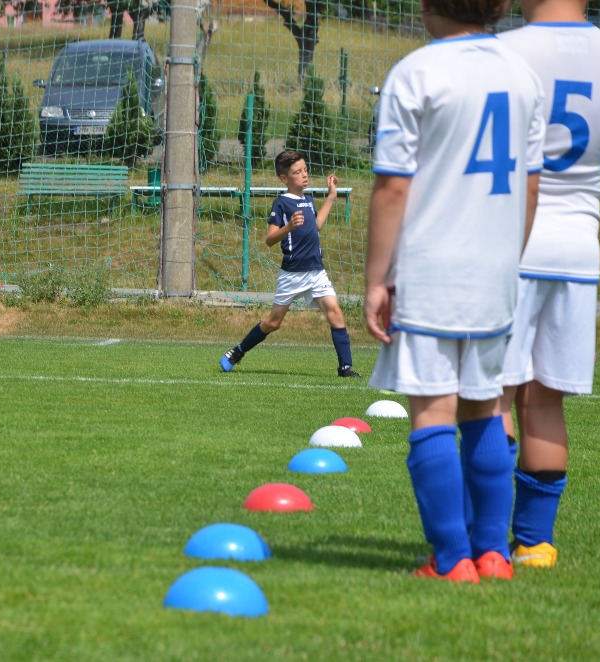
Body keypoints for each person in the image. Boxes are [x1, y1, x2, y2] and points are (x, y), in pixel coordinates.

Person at [364, 0, 546, 582]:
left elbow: (393, 187)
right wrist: (508, 258)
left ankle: (451, 560)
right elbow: (531, 186)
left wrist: (376, 279)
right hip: (496, 270)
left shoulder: (415, 72)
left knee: (433, 409)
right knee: (487, 406)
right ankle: (493, 554)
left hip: (431, 269)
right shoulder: (523, 74)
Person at [497, 0, 600, 569]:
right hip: (578, 248)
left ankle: (487, 540)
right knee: (546, 399)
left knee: (493, 396)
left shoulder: (502, 51)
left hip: (509, 240)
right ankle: (535, 544)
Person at [220, 150, 360, 378]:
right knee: (273, 323)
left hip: (316, 271)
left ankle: (345, 368)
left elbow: (316, 226)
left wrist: (331, 197)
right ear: (284, 178)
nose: (304, 175)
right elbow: (269, 239)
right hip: (292, 274)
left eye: (305, 170)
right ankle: (236, 352)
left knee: (335, 312)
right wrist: (289, 227)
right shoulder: (281, 203)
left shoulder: (308, 200)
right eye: (297, 172)